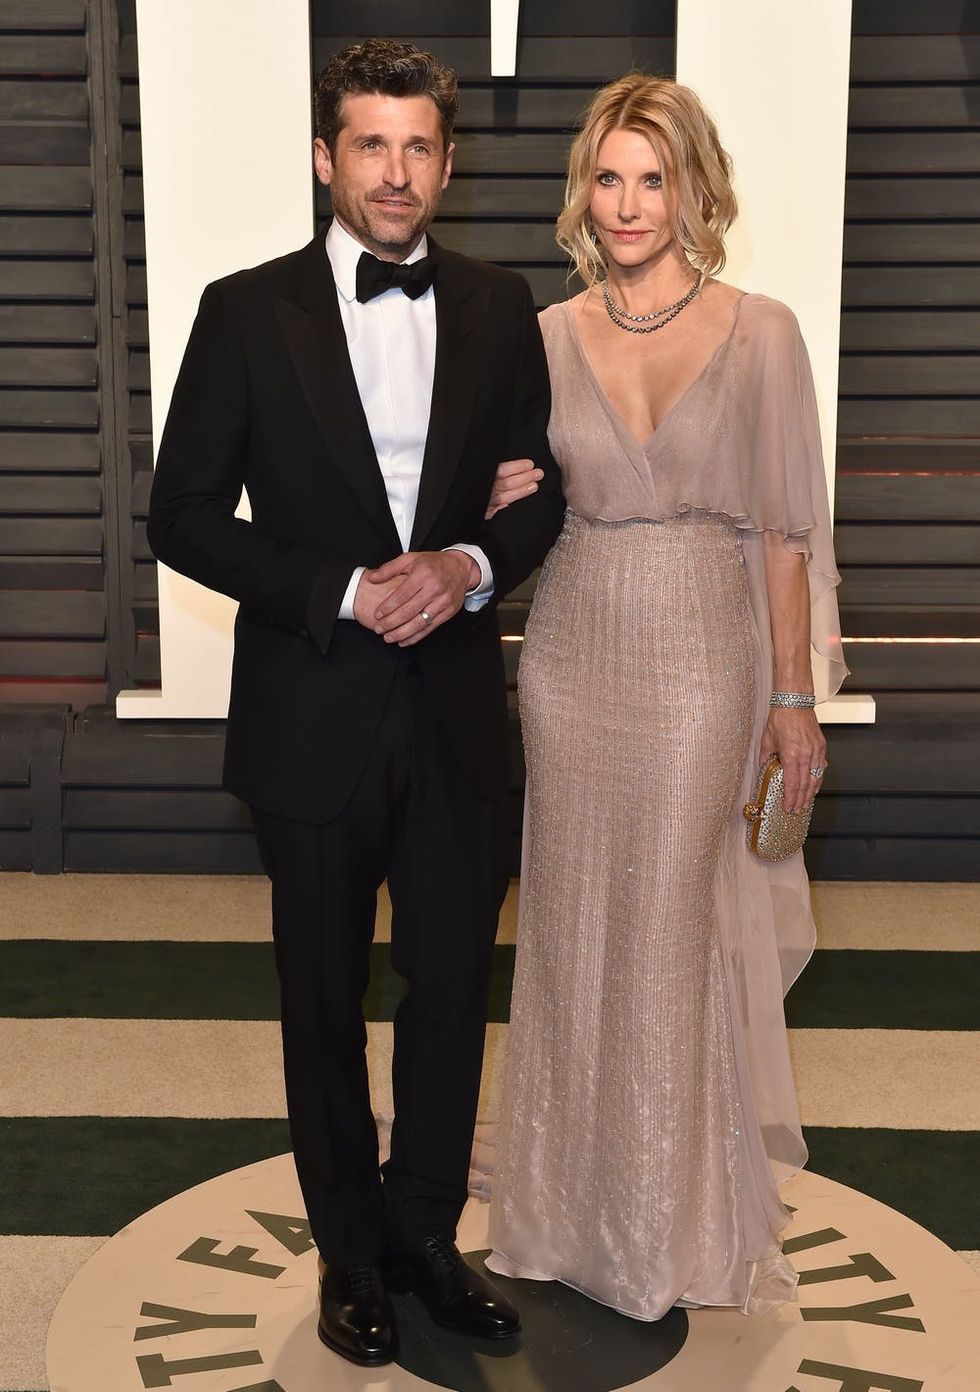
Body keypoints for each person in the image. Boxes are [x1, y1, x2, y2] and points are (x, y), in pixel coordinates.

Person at [147, 39, 564, 1367]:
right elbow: (180, 515)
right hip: (308, 713)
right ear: (327, 157)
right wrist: (339, 589)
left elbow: (541, 491)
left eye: (418, 147)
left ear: (447, 161)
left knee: (448, 991)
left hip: (452, 717)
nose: (395, 172)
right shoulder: (241, 310)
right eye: (371, 145)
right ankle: (347, 1254)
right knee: (321, 999)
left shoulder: (501, 305)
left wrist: (469, 564)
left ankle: (426, 1238)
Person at [485, 74, 847, 1320]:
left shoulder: (760, 331)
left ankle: (660, 1233)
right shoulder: (544, 335)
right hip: (570, 649)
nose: (629, 203)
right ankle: (555, 1218)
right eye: (608, 177)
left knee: (664, 929)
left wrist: (790, 698)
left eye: (653, 177)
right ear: (582, 191)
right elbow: (517, 494)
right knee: (570, 927)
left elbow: (784, 535)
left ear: (693, 189)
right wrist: (493, 497)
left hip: (700, 655)